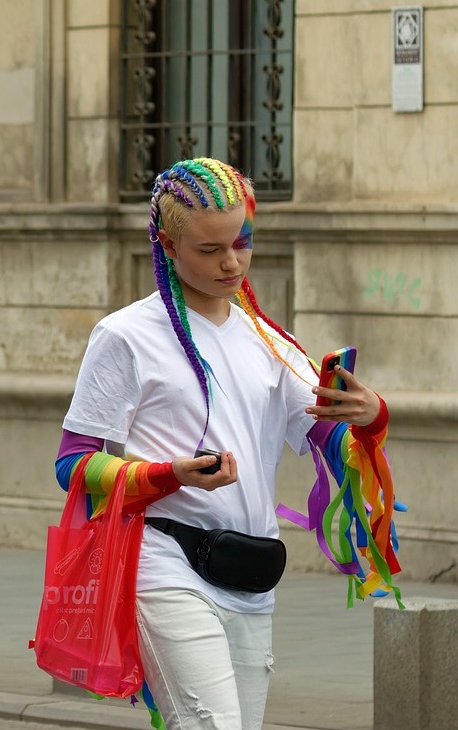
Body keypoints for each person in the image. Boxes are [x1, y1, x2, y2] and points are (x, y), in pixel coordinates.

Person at [55, 158, 401, 730]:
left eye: (242, 243)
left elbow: (329, 441)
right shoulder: (125, 336)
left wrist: (370, 417)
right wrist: (169, 475)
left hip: (250, 573)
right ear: (166, 244)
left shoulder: (272, 341)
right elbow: (71, 464)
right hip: (163, 566)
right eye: (210, 249)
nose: (231, 262)